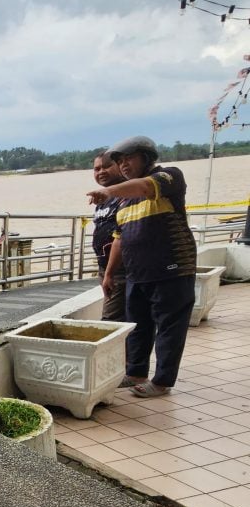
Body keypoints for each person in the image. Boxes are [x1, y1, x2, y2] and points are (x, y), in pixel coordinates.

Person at [86, 135, 196, 398]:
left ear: (146, 158)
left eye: (129, 159)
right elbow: (119, 238)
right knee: (139, 326)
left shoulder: (169, 177)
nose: (123, 165)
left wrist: (108, 191)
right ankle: (135, 372)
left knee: (169, 327)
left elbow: (146, 187)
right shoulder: (125, 201)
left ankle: (162, 381)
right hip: (137, 274)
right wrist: (109, 274)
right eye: (120, 161)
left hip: (171, 269)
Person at [90, 152, 127, 321]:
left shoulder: (128, 195)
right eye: (97, 169)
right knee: (121, 317)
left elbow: (121, 235)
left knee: (110, 321)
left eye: (106, 166)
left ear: (120, 166)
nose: (101, 172)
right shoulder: (103, 198)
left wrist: (110, 274)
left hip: (120, 270)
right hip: (106, 269)